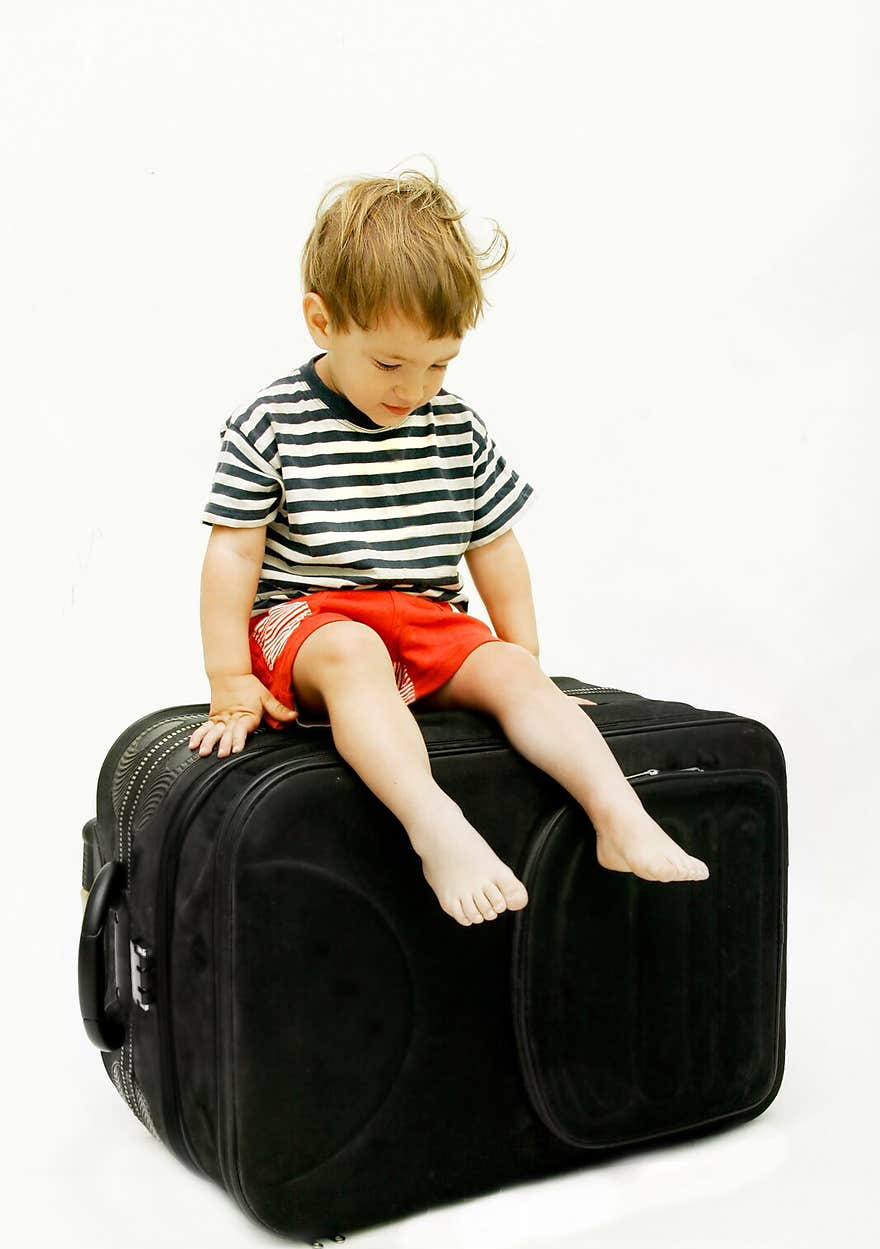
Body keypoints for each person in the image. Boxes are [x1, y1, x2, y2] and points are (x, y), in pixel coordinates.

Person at [190, 165, 709, 927]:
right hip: (310, 624)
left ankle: (617, 817)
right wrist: (229, 675)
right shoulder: (271, 420)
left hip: (424, 621)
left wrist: (524, 653)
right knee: (353, 655)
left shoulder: (454, 426)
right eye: (391, 365)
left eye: (440, 364)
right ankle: (436, 827)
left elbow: (494, 544)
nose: (414, 389)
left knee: (506, 668)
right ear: (321, 321)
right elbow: (233, 551)